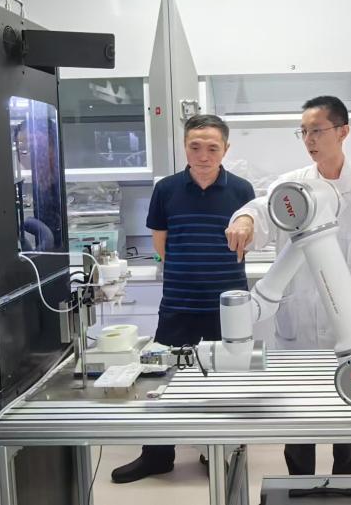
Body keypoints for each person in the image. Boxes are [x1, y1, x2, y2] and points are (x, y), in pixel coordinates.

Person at [223, 95, 351, 477]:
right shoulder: (293, 185)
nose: (309, 139)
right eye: (303, 132)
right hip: (297, 324)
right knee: (298, 411)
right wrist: (245, 221)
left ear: (343, 131)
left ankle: (347, 485)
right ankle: (299, 486)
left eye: (317, 130)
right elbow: (261, 211)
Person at [111, 114, 256, 484]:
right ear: (185, 147)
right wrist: (187, 269)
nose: (204, 155)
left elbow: (250, 235)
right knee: (161, 379)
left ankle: (217, 453)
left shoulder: (242, 190)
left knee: (225, 383)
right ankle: (157, 456)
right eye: (195, 147)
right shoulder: (167, 189)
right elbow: (162, 243)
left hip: (227, 308)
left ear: (225, 149)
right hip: (179, 303)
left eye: (212, 148)